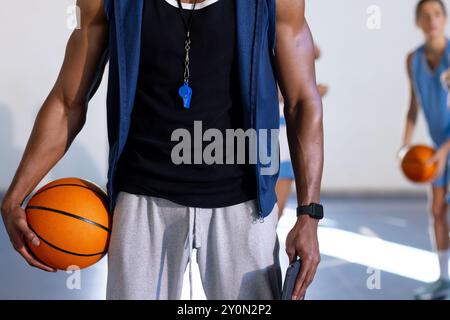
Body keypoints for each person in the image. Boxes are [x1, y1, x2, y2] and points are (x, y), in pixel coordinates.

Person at [0, 0, 324, 300]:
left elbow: (302, 102)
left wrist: (309, 214)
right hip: (143, 198)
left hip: (242, 202)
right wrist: (15, 196)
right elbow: (68, 102)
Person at [402, 0, 450, 300]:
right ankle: (443, 279)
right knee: (436, 211)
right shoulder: (413, 59)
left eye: (436, 14)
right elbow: (413, 106)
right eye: (425, 16)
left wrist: (445, 151)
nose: (431, 20)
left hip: (447, 146)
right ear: (418, 23)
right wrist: (405, 145)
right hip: (437, 148)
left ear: (444, 18)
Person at [276, 45, 328, 219]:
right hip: (266, 128)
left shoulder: (288, 37)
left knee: (278, 209)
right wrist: (308, 93)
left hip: (284, 130)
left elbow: (315, 51)